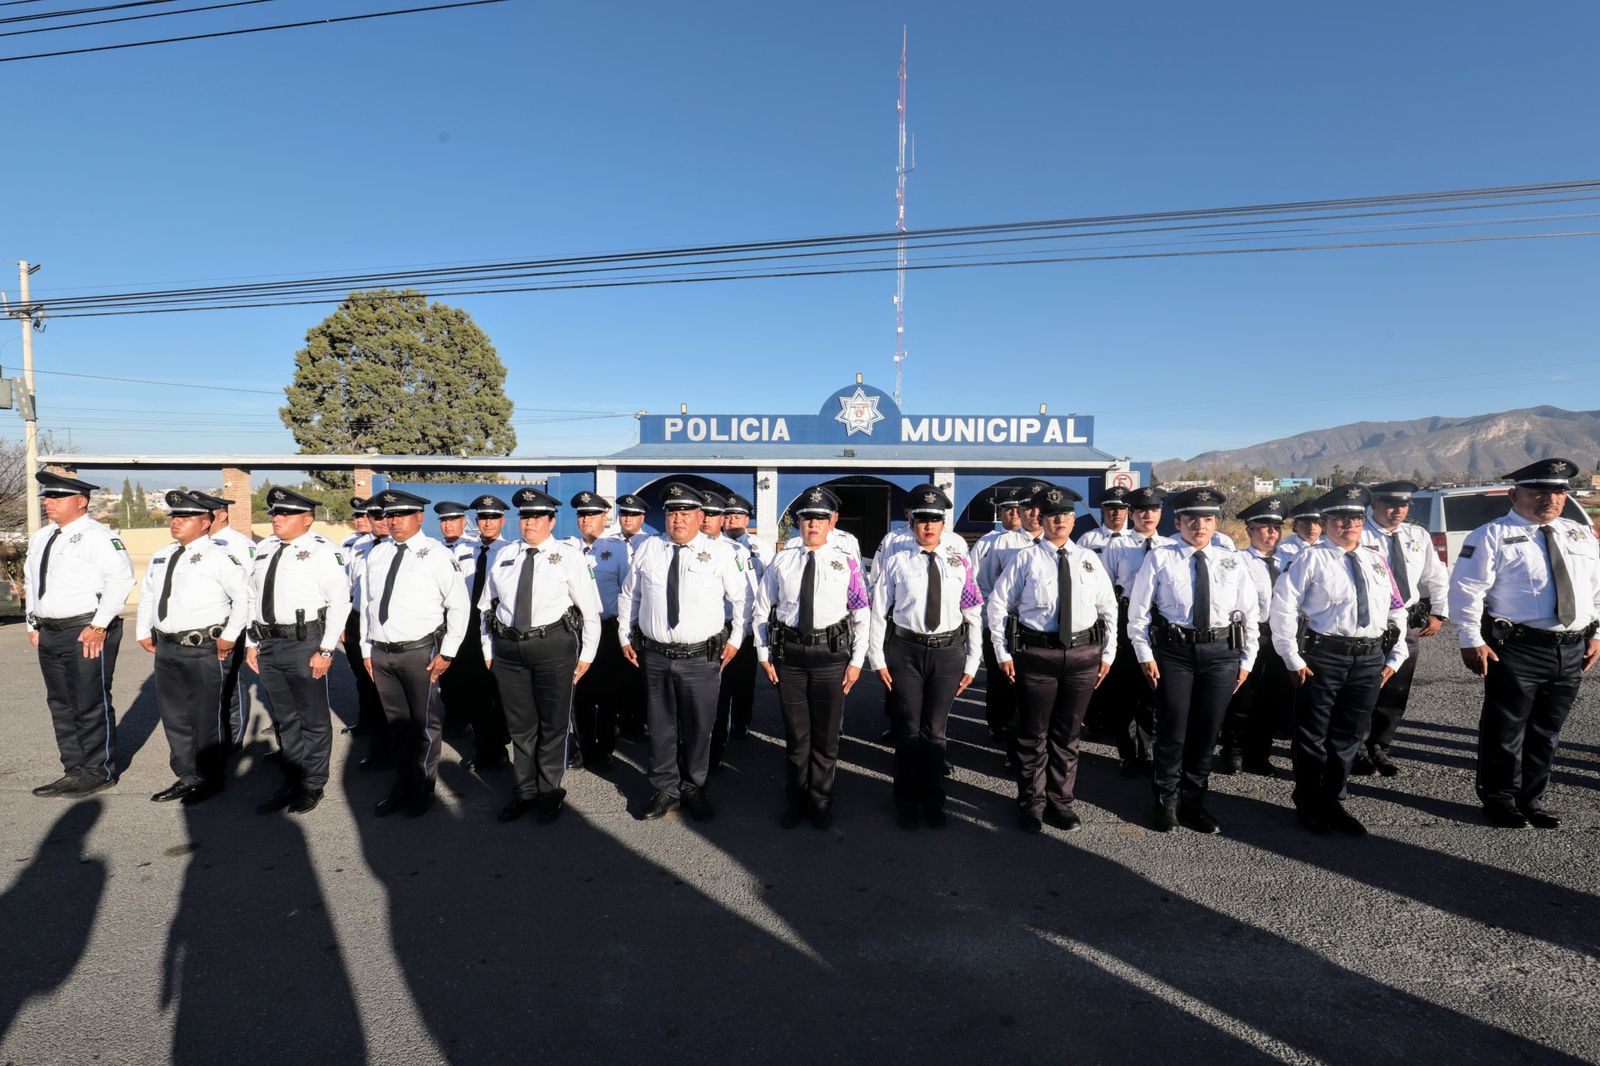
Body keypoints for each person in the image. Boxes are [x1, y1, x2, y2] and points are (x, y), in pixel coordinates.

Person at [1448, 458, 1600, 830]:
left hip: (1571, 648)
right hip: (1518, 648)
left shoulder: (1578, 534)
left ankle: (1532, 800)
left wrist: (1596, 634)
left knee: (1547, 730)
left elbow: (1595, 589)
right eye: (1539, 492)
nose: (1550, 499)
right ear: (1515, 495)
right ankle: (1500, 799)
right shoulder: (1490, 535)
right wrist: (1470, 639)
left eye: (1558, 492)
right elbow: (1466, 591)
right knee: (1506, 727)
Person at [1270, 484, 1407, 836]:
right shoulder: (1310, 559)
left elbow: (1395, 608)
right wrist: (1291, 656)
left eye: (1355, 518)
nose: (1349, 524)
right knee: (1313, 735)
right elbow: (1283, 607)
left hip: (1369, 658)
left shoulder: (1377, 560)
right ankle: (1310, 802)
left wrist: (1396, 652)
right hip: (1324, 657)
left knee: (1348, 735)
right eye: (1339, 518)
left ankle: (1334, 800)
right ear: (1327, 522)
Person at [986, 484, 1117, 834]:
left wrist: (1109, 653)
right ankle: (1031, 801)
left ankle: (1061, 803)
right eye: (1053, 515)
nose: (1060, 520)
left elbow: (1109, 608)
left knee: (1069, 735)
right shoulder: (1025, 559)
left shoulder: (1089, 560)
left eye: (1066, 515)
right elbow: (997, 606)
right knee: (1033, 734)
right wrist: (1001, 652)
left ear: (1074, 520)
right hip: (1037, 655)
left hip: (1083, 656)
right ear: (1041, 520)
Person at [1128, 487, 1258, 834]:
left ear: (1216, 522)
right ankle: (1165, 801)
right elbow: (1138, 613)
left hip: (1221, 655)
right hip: (1175, 654)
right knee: (1173, 729)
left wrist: (1247, 661)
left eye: (1207, 519)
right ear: (1178, 521)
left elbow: (1249, 614)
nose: (1199, 525)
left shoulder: (1233, 559)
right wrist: (1144, 654)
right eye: (1191, 519)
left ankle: (1194, 802)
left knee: (1206, 732)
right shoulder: (1161, 557)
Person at [618, 481, 749, 821]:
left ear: (701, 516)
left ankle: (693, 786)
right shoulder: (649, 549)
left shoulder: (722, 552)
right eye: (672, 512)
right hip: (656, 655)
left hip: (701, 658)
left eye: (686, 513)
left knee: (699, 726)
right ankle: (664, 789)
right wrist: (623, 634)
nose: (678, 519)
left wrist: (735, 639)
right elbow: (629, 595)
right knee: (660, 726)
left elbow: (742, 601)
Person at [480, 488, 603, 823]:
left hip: (552, 647)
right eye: (524, 516)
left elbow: (589, 611)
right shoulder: (504, 555)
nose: (529, 522)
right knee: (520, 726)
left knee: (553, 722)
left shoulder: (568, 556)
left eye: (536, 516)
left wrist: (587, 654)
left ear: (551, 520)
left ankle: (549, 790)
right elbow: (486, 608)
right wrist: (488, 648)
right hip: (508, 650)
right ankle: (525, 791)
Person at [753, 486, 870, 829]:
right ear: (798, 522)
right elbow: (762, 610)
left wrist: (857, 661)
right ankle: (797, 800)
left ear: (831, 522)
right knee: (796, 735)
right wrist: (763, 654)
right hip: (789, 658)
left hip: (831, 657)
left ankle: (821, 801)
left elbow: (862, 614)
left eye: (820, 517)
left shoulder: (846, 562)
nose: (813, 524)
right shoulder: (782, 561)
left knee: (826, 736)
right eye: (806, 517)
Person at [867, 484, 983, 829]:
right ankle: (905, 800)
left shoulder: (959, 560)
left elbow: (974, 610)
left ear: (943, 524)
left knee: (935, 731)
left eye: (935, 519)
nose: (928, 526)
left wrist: (973, 660)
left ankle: (934, 800)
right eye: (922, 519)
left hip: (948, 653)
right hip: (906, 651)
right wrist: (878, 657)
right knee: (907, 730)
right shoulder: (896, 560)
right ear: (911, 521)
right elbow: (877, 610)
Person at [24, 471, 136, 798]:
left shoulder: (97, 536)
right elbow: (33, 584)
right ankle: (73, 770)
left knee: (89, 700)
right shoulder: (42, 537)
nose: (48, 502)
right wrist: (34, 624)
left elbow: (121, 580)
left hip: (87, 629)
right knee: (60, 703)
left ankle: (98, 771)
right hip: (50, 631)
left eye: (56, 497)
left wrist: (100, 625)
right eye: (47, 497)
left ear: (81, 501)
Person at [135, 491, 251, 805]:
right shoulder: (163, 554)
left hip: (204, 647)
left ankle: (211, 777)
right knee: (175, 717)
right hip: (167, 648)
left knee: (205, 717)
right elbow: (148, 595)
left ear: (205, 523)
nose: (177, 523)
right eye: (175, 517)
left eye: (185, 518)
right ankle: (187, 775)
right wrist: (143, 629)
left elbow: (243, 598)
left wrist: (229, 636)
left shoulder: (220, 555)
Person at [360, 490, 469, 818]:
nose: (393, 521)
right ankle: (402, 784)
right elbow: (369, 605)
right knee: (398, 725)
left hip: (418, 652)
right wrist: (367, 648)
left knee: (423, 725)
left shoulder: (435, 554)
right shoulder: (378, 555)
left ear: (419, 517)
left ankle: (422, 788)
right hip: (382, 653)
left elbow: (458, 606)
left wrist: (447, 652)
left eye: (401, 515)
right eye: (389, 515)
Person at [248, 486, 352, 816]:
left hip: (305, 641)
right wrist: (251, 642)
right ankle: (291, 779)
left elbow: (339, 601)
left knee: (313, 719)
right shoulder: (263, 548)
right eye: (275, 514)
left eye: (285, 514)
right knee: (286, 718)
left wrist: (325, 650)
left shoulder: (322, 550)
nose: (277, 519)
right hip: (268, 643)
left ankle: (312, 783)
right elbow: (251, 596)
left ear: (307, 520)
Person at [1353, 481, 1449, 777]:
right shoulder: (1358, 534)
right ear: (1374, 506)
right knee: (1361, 687)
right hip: (1369, 622)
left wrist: (1439, 612)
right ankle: (1356, 748)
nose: (1399, 512)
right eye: (1391, 505)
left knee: (1396, 689)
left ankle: (1380, 747)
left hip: (1405, 622)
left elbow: (1436, 575)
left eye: (1404, 506)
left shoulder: (1416, 535)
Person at [1217, 496, 1294, 776]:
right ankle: (1233, 750)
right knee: (1244, 697)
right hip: (1253, 635)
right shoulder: (1237, 561)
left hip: (1282, 636)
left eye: (1276, 527)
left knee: (1272, 699)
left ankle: (1260, 754)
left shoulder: (1291, 560)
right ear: (1249, 531)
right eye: (1264, 527)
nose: (1272, 533)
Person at [1101, 486, 1171, 774]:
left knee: (1153, 691)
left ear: (1161, 513)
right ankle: (1128, 752)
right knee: (1125, 690)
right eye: (1141, 510)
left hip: (1161, 621)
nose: (1147, 515)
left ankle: (1151, 751)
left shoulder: (1170, 546)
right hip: (1126, 616)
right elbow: (1104, 588)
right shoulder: (1116, 546)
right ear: (1132, 514)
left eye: (1153, 510)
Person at [569, 490, 631, 771]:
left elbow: (629, 593)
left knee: (608, 695)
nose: (586, 520)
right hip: (576, 630)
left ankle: (605, 748)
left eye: (592, 514)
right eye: (582, 515)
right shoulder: (566, 549)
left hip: (607, 630)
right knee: (579, 693)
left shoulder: (618, 549)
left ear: (605, 517)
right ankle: (582, 749)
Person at [191, 491, 256, 753]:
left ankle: (233, 736)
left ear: (221, 515)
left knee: (231, 680)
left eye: (206, 512)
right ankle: (214, 733)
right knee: (209, 683)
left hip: (231, 622)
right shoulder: (198, 544)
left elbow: (251, 588)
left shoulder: (238, 544)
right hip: (204, 623)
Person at [457, 494, 513, 770]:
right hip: (467, 628)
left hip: (495, 627)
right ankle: (482, 747)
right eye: (482, 517)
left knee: (497, 691)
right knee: (475, 690)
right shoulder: (464, 551)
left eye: (493, 517)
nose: (487, 523)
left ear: (502, 520)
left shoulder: (510, 553)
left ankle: (499, 746)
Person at [971, 486, 1026, 752]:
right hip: (996, 620)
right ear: (1000, 512)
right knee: (998, 678)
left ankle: (1015, 730)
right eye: (1008, 509)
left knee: (1022, 681)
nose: (1014, 514)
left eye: (1018, 508)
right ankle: (998, 724)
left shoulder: (1034, 542)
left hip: (1026, 626)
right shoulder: (989, 542)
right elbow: (977, 584)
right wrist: (984, 620)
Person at [716, 490, 765, 747]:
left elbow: (769, 586)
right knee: (721, 678)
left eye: (739, 516)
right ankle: (719, 724)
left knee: (745, 678)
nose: (733, 520)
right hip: (721, 622)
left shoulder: (762, 547)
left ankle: (742, 723)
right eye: (729, 515)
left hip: (749, 624)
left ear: (748, 520)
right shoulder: (716, 546)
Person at [345, 499, 391, 765]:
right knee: (362, 676)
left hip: (384, 623)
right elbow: (347, 585)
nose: (381, 520)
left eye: (385, 515)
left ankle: (384, 745)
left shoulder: (398, 549)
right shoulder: (358, 546)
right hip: (357, 617)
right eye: (374, 515)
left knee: (385, 684)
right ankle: (368, 722)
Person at [431, 499, 479, 737]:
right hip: (441, 619)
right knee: (446, 672)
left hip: (469, 618)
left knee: (469, 670)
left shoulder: (475, 547)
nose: (448, 525)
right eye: (444, 521)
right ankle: (453, 716)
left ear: (463, 521)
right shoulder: (433, 550)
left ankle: (472, 716)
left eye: (453, 520)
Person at [613, 492, 652, 738]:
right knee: (617, 676)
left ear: (642, 518)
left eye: (633, 514)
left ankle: (641, 721)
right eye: (624, 514)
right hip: (614, 619)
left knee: (641, 676)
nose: (627, 519)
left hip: (641, 621)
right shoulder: (608, 543)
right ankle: (620, 718)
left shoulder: (651, 544)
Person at [1074, 485, 1132, 554]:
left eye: (1122, 508)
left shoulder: (1133, 539)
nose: (1117, 513)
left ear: (1128, 512)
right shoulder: (1089, 539)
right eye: (1112, 508)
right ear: (1102, 511)